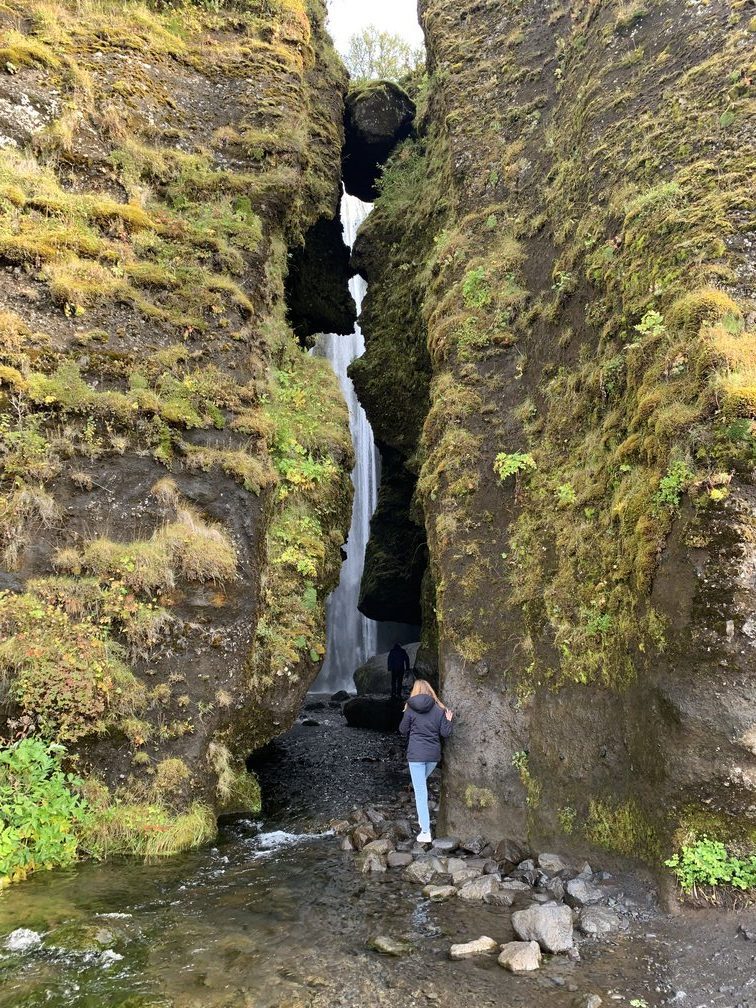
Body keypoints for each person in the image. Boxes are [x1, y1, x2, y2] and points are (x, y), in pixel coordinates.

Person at [398, 679, 454, 844]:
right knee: (420, 785)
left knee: (421, 793)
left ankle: (425, 832)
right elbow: (445, 733)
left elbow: (402, 730)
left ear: (415, 692)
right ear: (430, 691)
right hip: (433, 756)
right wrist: (449, 720)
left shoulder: (410, 710)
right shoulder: (439, 710)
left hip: (416, 756)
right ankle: (424, 824)